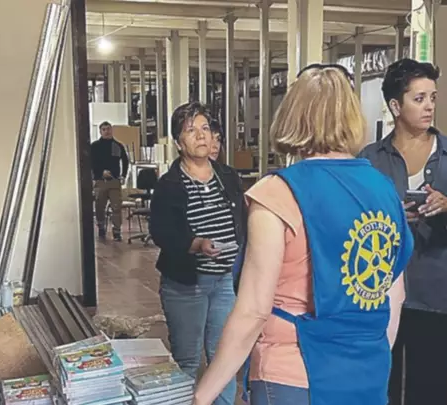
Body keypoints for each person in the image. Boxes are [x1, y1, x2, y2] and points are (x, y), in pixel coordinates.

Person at [193, 65, 413, 405]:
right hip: (366, 371)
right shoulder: (384, 190)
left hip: (294, 374)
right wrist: (366, 360)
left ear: (292, 116)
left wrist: (203, 395)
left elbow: (253, 310)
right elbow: (393, 296)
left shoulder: (278, 192)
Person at [359, 58, 447, 405]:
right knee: (380, 388)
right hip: (381, 292)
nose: (429, 106)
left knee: (429, 390)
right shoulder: (370, 159)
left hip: (437, 293)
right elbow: (355, 221)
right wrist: (390, 217)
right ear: (395, 106)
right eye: (419, 98)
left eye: (433, 97)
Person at [149, 102, 246, 405]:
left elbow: (242, 220)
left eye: (205, 128)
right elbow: (161, 232)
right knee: (187, 360)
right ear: (179, 143)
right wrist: (197, 244)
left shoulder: (228, 176)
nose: (202, 136)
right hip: (186, 285)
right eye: (191, 130)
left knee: (224, 358)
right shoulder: (169, 185)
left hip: (225, 282)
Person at [90, 121, 129, 241]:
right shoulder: (94, 146)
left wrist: (123, 175)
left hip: (114, 181)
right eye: (104, 129)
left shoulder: (117, 145)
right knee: (99, 207)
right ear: (100, 131)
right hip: (100, 181)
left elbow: (125, 161)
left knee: (116, 207)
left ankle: (116, 231)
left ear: (111, 130)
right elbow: (90, 163)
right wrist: (100, 173)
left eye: (108, 129)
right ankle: (101, 227)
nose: (107, 131)